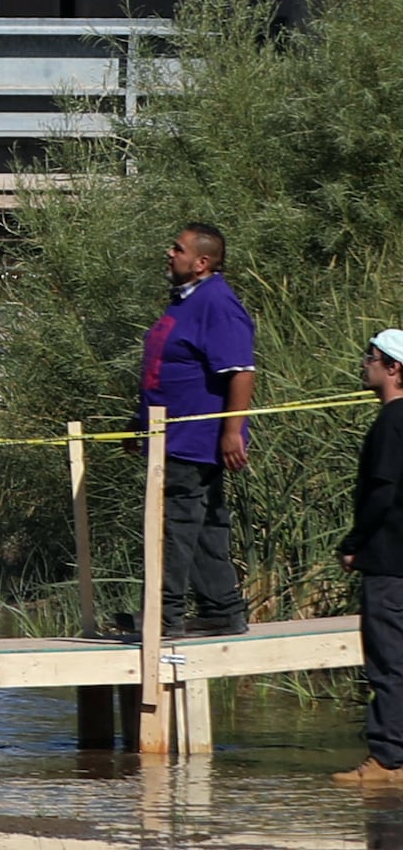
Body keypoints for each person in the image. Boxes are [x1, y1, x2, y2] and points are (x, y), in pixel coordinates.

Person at [143, 222, 261, 640]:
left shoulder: (217, 303)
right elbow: (167, 368)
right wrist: (137, 423)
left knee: (178, 525)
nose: (169, 253)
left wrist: (233, 432)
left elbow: (241, 371)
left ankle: (165, 616)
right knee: (208, 522)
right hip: (166, 436)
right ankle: (222, 611)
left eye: (177, 249)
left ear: (202, 262)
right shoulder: (182, 302)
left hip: (194, 439)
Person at [341, 328, 403, 793]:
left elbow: (382, 492)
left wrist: (353, 542)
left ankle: (386, 759)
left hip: (388, 562)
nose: (365, 363)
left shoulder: (391, 422)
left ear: (393, 369)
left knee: (387, 662)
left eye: (372, 357)